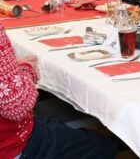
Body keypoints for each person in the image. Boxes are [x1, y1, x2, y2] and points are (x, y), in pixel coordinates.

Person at [0, 25, 116, 158]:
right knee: (103, 148)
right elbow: (17, 106)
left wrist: (13, 70)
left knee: (63, 127)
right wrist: (27, 71)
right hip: (12, 145)